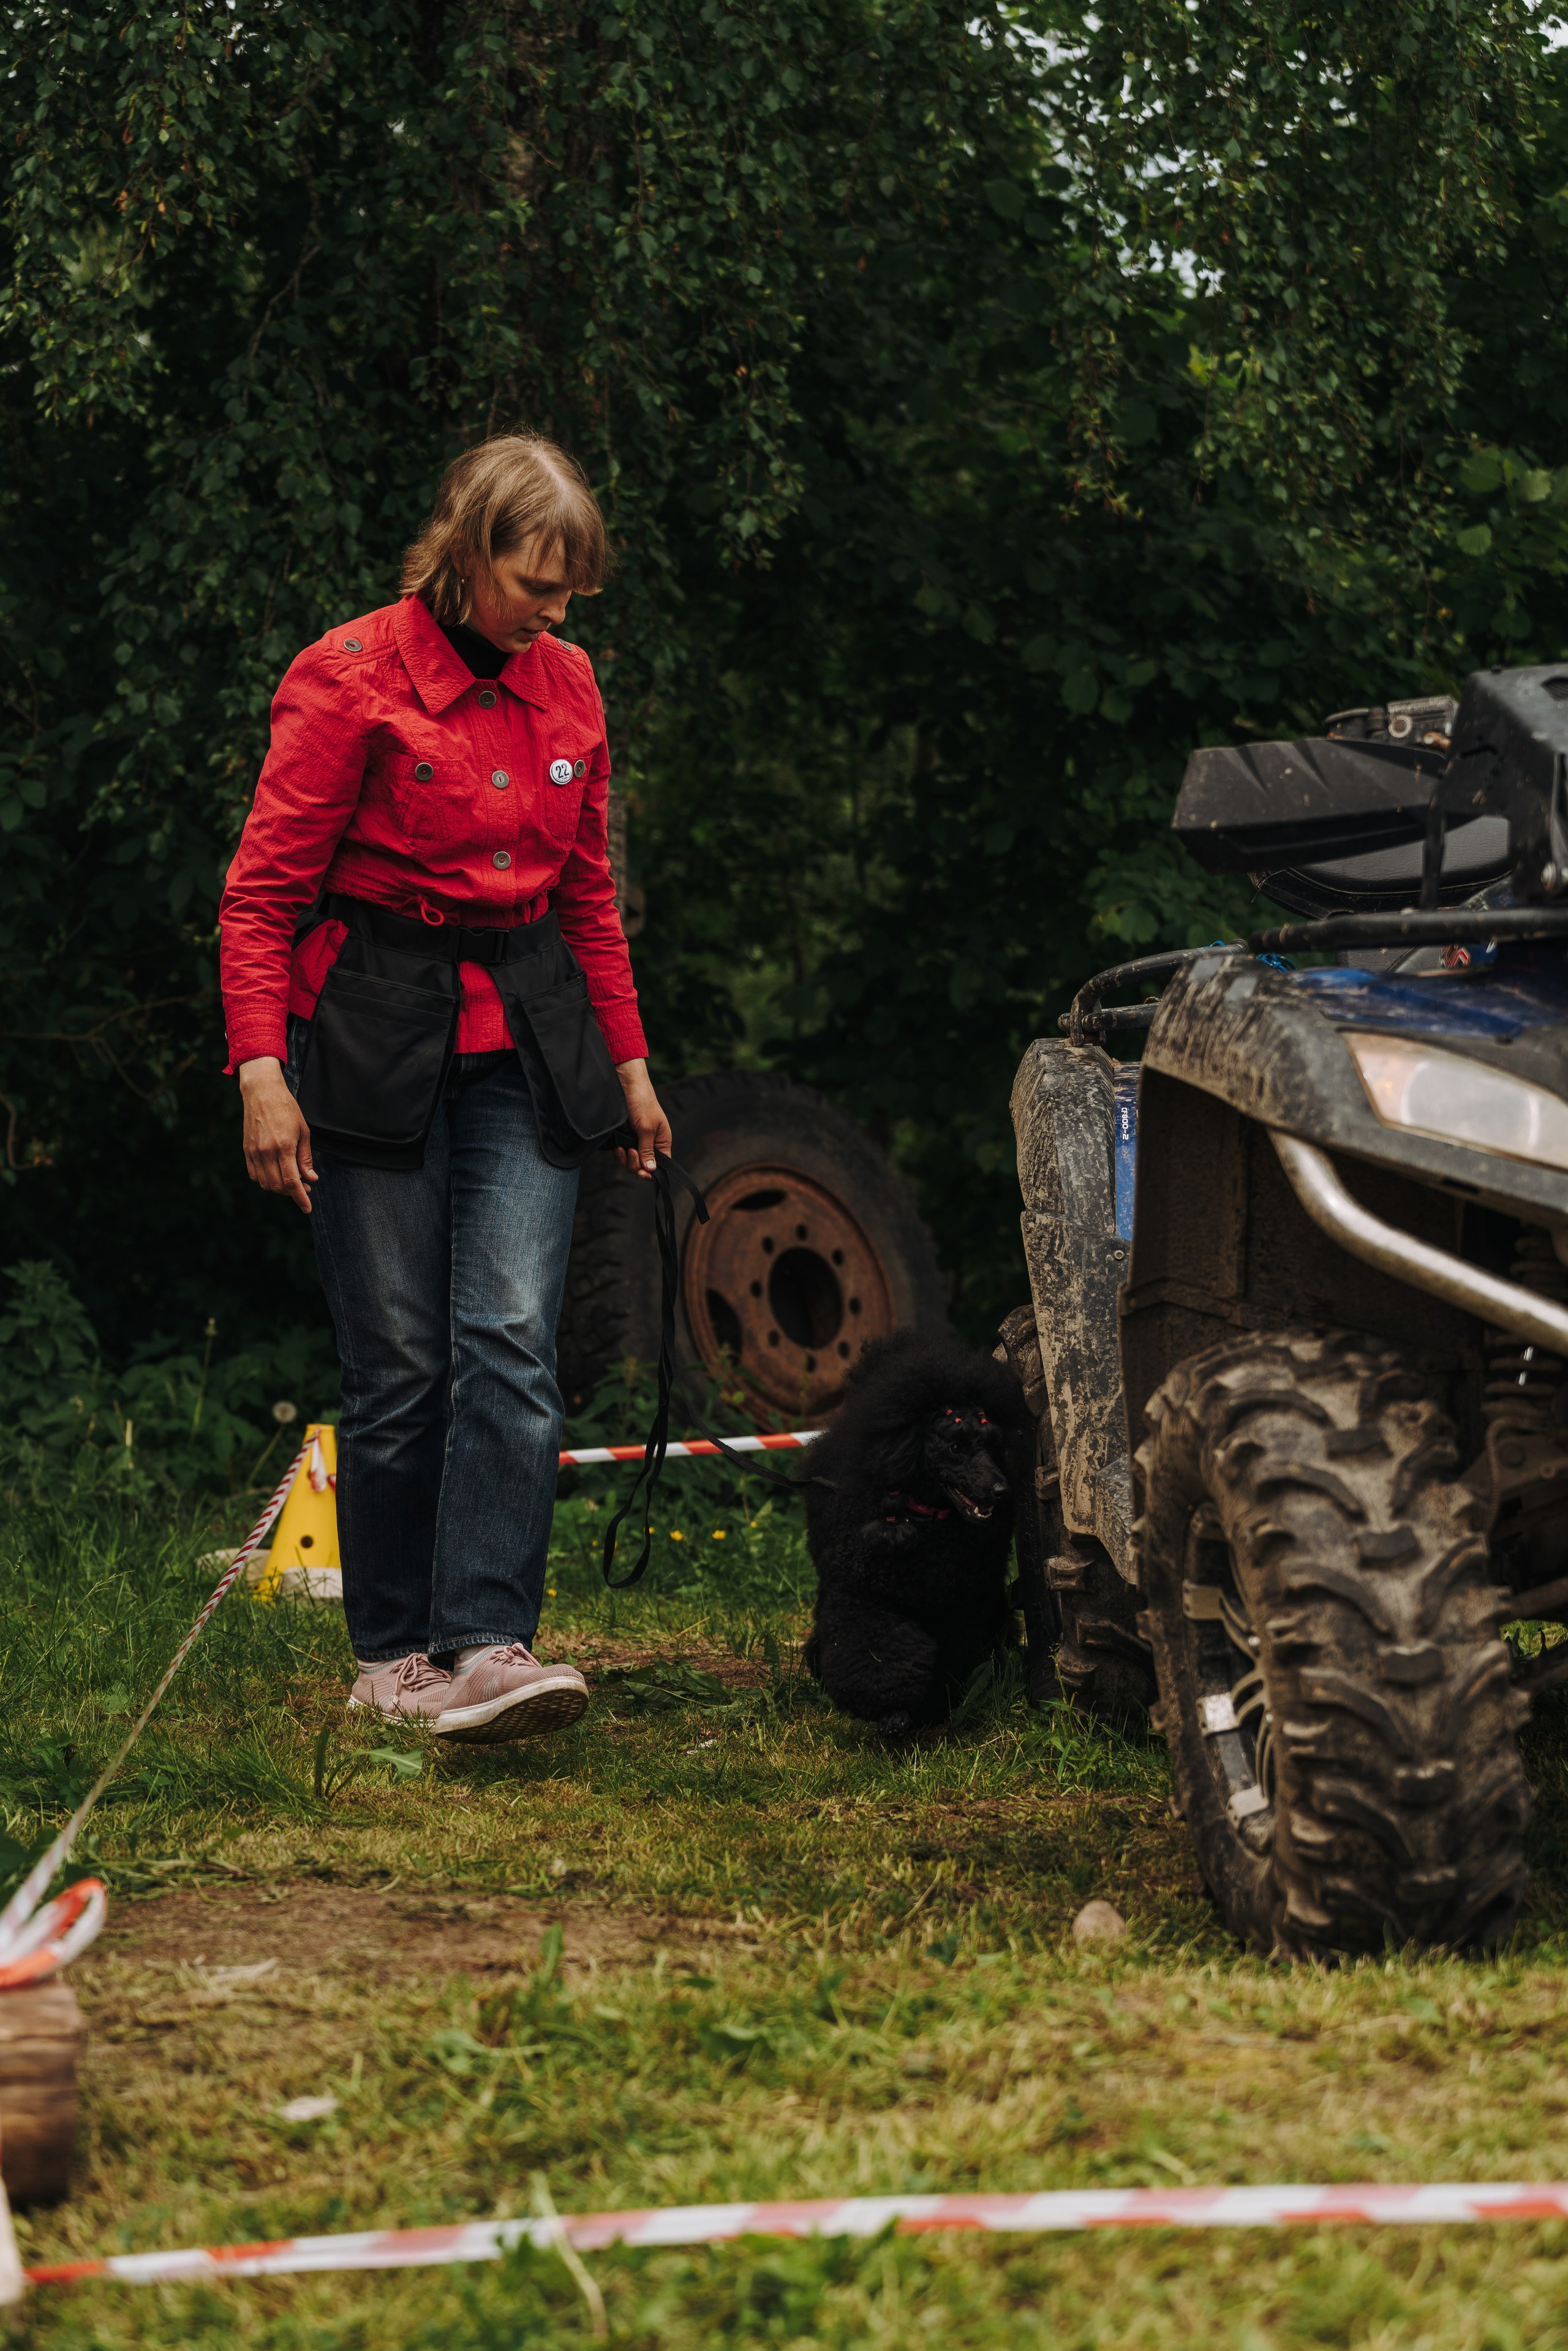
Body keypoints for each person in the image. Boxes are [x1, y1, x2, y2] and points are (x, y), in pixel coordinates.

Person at [219, 435, 669, 1745]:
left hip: (523, 1037)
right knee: (402, 1359)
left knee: (512, 1341)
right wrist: (261, 1070)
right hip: (366, 1035)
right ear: (469, 554)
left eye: (570, 589)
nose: (554, 611)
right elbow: (261, 896)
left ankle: (487, 1640)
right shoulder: (346, 676)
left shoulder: (570, 684)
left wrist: (630, 1066)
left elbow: (586, 894)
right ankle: (391, 1654)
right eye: (536, 582)